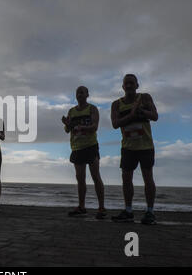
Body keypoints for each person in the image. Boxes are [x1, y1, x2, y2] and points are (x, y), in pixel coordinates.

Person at [110, 74, 158, 225]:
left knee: (148, 178)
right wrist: (132, 115)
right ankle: (128, 211)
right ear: (123, 87)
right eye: (126, 83)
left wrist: (141, 112)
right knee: (126, 179)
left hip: (146, 146)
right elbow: (115, 123)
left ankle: (150, 212)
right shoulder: (116, 104)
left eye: (132, 83)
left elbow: (155, 116)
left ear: (137, 85)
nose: (129, 86)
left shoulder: (145, 98)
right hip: (128, 147)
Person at [62, 86, 106, 219]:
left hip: (91, 146)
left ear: (87, 94)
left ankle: (101, 208)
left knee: (95, 176)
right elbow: (67, 130)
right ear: (76, 96)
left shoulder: (92, 109)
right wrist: (67, 124)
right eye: (78, 93)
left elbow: (95, 127)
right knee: (80, 178)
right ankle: (81, 207)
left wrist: (83, 127)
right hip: (77, 148)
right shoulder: (71, 111)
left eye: (82, 92)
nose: (80, 95)